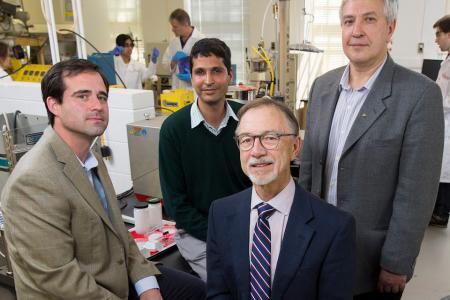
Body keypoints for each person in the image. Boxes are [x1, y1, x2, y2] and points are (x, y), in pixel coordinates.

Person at [0, 59, 206, 300]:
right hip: (73, 293)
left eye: (102, 97)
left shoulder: (90, 157)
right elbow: (59, 280)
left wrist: (148, 287)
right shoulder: (33, 182)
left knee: (196, 291)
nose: (97, 105)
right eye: (83, 96)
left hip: (114, 278)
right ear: (54, 104)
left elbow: (121, 236)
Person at [298, 0, 444, 299]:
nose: (357, 31)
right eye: (349, 21)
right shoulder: (322, 87)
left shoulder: (419, 94)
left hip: (371, 260)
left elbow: (416, 192)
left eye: (369, 20)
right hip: (316, 248)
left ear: (390, 27)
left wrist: (397, 261)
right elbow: (310, 169)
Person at [207, 98, 356, 300]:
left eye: (270, 138)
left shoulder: (335, 227)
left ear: (295, 147)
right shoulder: (220, 213)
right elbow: (219, 293)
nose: (257, 151)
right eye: (246, 140)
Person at [159, 38, 251, 281]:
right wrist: (223, 233)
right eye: (200, 72)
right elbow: (176, 205)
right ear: (191, 77)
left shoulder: (248, 119)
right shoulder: (173, 129)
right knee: (237, 283)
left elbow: (263, 184)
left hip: (248, 227)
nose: (208, 81)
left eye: (216, 71)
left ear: (229, 75)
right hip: (198, 234)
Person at [430, 15, 450, 228]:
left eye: (439, 34)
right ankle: (438, 210)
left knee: (445, 169)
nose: (436, 39)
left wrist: (437, 103)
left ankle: (442, 213)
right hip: (442, 120)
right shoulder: (447, 60)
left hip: (447, 121)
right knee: (441, 167)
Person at [162, 8, 202, 89]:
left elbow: (207, 67)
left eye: (175, 27)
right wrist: (173, 61)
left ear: (186, 24)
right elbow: (164, 64)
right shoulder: (173, 42)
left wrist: (192, 75)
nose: (172, 29)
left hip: (194, 89)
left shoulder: (200, 40)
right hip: (177, 88)